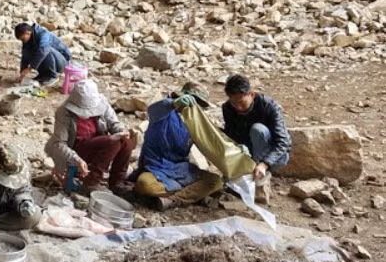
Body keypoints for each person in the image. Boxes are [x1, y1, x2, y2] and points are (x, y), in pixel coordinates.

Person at [131, 82, 224, 211]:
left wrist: (235, 147)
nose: (194, 105)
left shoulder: (194, 122)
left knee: (216, 181)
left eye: (199, 104)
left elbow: (212, 143)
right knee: (144, 185)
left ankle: (173, 200)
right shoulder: (165, 111)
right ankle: (193, 193)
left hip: (182, 170)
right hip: (156, 168)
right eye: (194, 100)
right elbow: (153, 110)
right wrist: (174, 103)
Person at [45, 79, 134, 196]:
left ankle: (117, 182)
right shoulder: (64, 112)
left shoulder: (101, 103)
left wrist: (121, 131)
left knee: (125, 141)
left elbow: (114, 123)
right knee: (113, 142)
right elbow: (59, 144)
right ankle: (91, 181)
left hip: (99, 143)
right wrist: (77, 160)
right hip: (78, 148)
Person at [222, 74, 291, 190]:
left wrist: (264, 164)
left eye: (241, 102)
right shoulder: (227, 108)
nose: (238, 107)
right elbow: (231, 135)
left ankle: (260, 171)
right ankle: (249, 170)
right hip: (249, 153)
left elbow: (283, 142)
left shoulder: (268, 105)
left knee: (258, 129)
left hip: (274, 157)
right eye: (234, 103)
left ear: (252, 94)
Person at [14, 22, 72, 87]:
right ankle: (43, 75)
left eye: (23, 39)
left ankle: (52, 76)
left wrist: (30, 68)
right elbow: (24, 56)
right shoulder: (27, 40)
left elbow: (44, 50)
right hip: (53, 59)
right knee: (28, 52)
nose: (23, 41)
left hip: (62, 62)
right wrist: (22, 74)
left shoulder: (43, 34)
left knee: (45, 50)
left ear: (28, 32)